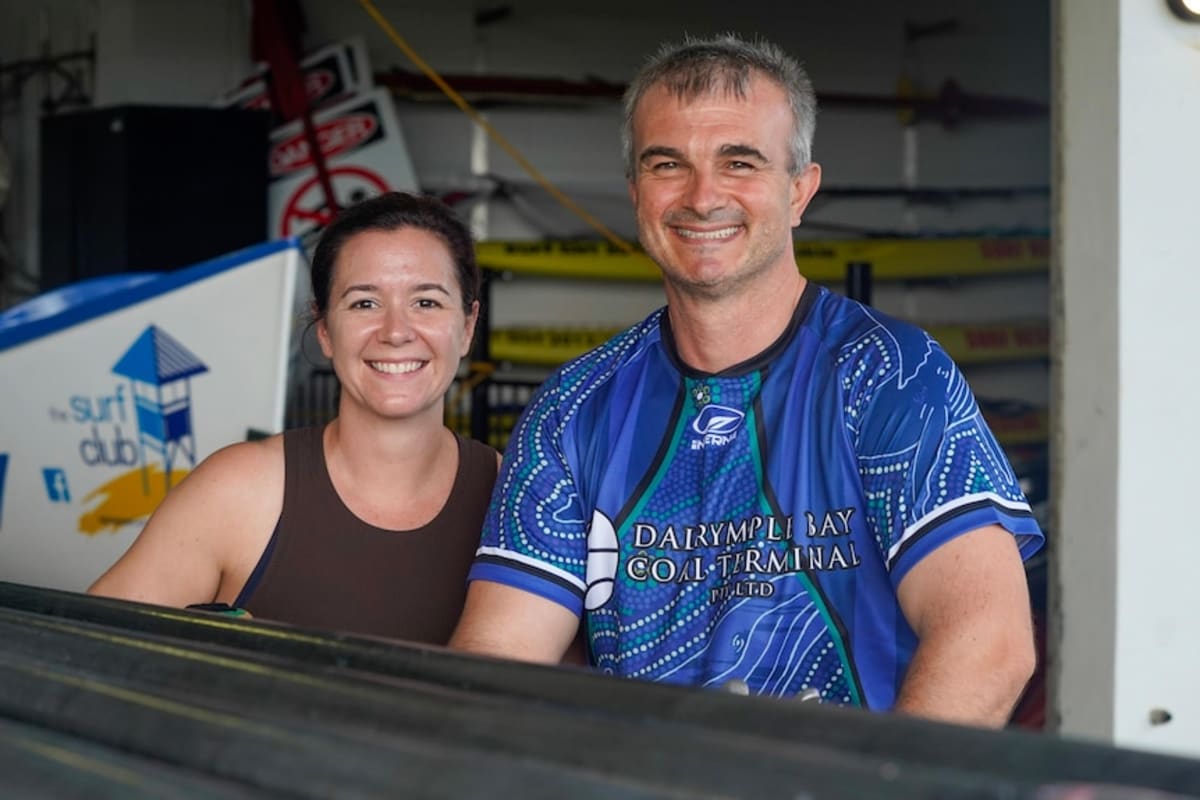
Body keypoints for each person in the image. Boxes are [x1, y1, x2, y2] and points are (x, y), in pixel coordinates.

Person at [449, 34, 1044, 727]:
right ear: (637, 192)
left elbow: (988, 642)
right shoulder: (574, 406)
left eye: (740, 162)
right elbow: (497, 654)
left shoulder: (891, 376)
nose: (703, 198)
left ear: (800, 191)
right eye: (668, 163)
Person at [90, 192, 498, 644]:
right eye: (365, 303)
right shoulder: (238, 491)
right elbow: (83, 651)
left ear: (467, 326)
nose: (396, 331)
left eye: (426, 302)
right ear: (324, 329)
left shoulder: (520, 497)